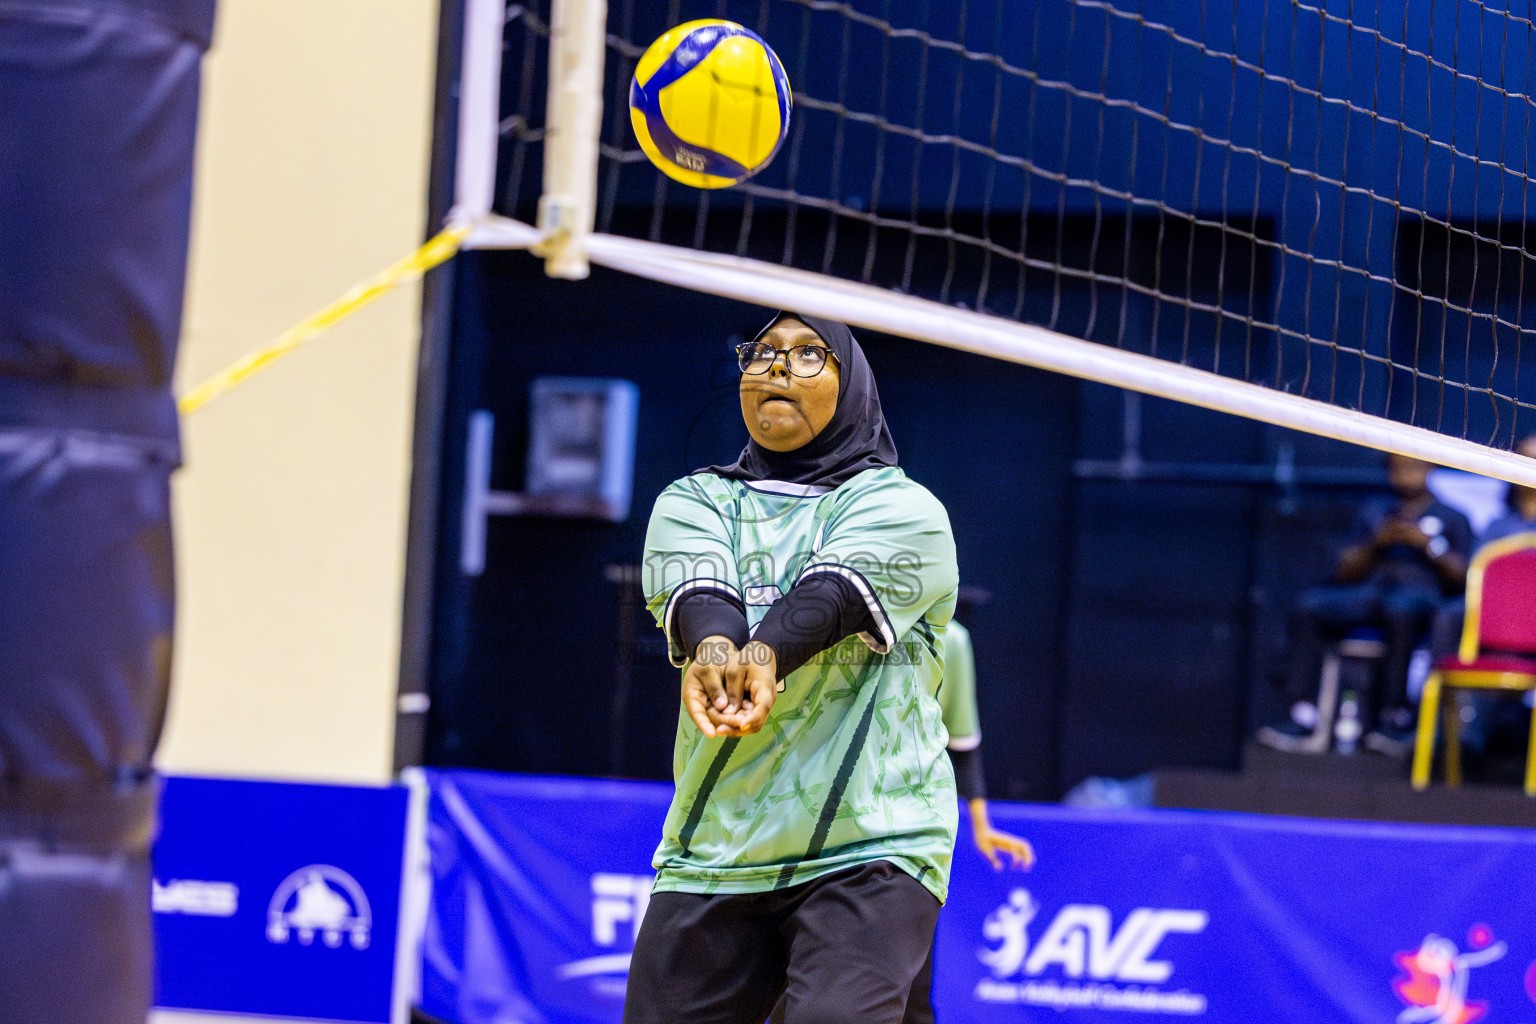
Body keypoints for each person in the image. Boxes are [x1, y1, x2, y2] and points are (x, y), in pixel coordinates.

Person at [629, 311, 960, 1024]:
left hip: (872, 841)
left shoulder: (904, 509)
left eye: (810, 355)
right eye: (764, 353)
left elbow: (829, 597)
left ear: (854, 388)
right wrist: (716, 655)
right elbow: (701, 598)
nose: (778, 367)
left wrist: (762, 661)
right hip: (716, 842)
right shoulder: (694, 500)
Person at [1258, 454, 1472, 754]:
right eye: (1397, 468)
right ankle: (1302, 715)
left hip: (1420, 599)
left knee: (1400, 609)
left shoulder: (1452, 516)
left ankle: (1393, 718)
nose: (1405, 475)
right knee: (1309, 606)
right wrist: (1376, 542)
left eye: (1413, 467)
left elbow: (1465, 578)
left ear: (1430, 468)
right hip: (1369, 594)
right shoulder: (1375, 512)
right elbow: (1343, 571)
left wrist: (1427, 545)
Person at [1425, 433, 1536, 765]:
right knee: (1450, 616)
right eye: (1523, 459)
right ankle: (1445, 735)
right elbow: (1476, 579)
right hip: (1496, 624)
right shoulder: (1498, 526)